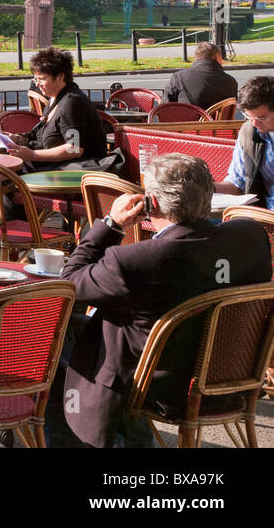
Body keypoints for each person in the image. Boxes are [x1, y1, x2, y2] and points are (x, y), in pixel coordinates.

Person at [47, 153, 272, 447]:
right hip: (235, 380)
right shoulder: (251, 236)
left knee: (55, 334)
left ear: (150, 202)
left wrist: (111, 224)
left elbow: (69, 284)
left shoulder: (134, 261)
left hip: (163, 389)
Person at [5, 47, 107, 170]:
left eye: (42, 79)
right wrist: (20, 139)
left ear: (60, 77)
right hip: (52, 168)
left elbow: (74, 149)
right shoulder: (55, 97)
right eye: (35, 79)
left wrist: (32, 155)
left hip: (68, 174)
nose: (37, 84)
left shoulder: (72, 103)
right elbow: (43, 137)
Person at [214, 76, 274, 209]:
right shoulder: (249, 132)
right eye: (248, 117)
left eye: (261, 118)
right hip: (262, 213)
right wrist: (207, 187)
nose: (254, 123)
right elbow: (237, 183)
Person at [164, 41, 237, 110]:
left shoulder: (179, 77)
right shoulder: (231, 81)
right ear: (216, 57)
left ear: (197, 58)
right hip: (218, 123)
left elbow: (165, 107)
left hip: (188, 122)